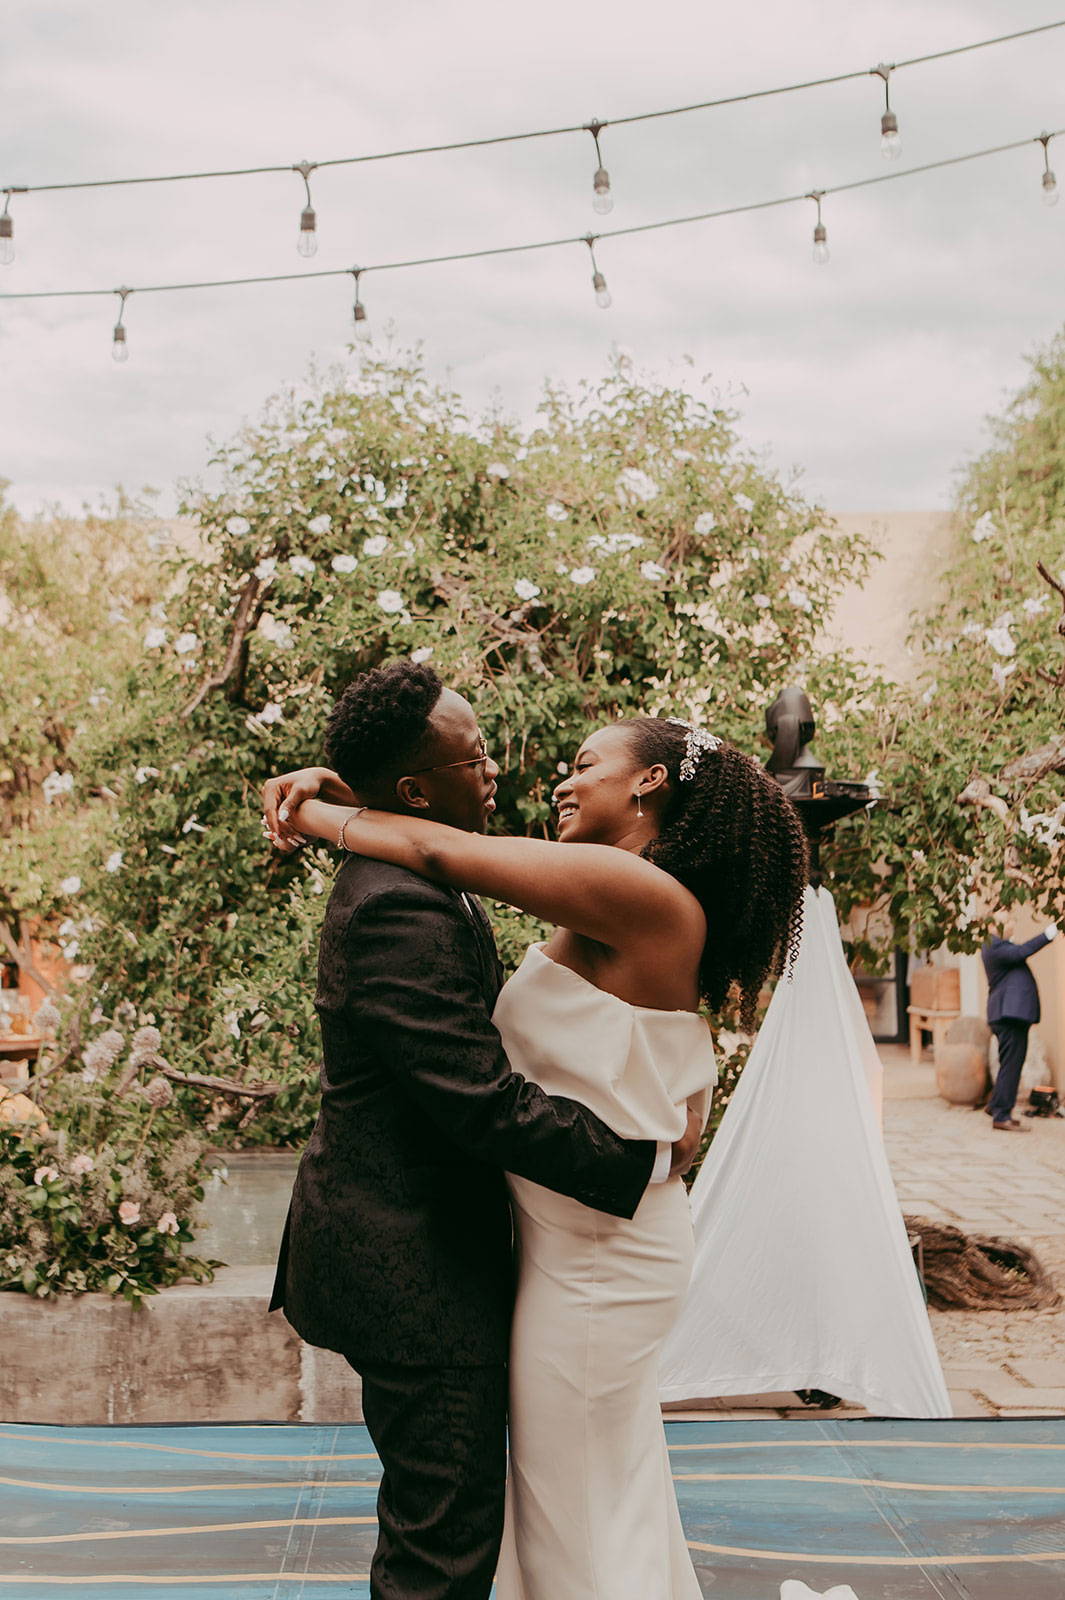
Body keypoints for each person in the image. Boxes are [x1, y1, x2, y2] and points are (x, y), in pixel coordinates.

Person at [266, 667, 807, 1600]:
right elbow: (430, 848)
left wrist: (313, 805)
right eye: (473, 758)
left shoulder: (625, 887)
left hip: (602, 1251)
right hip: (562, 1241)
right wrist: (349, 787)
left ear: (648, 784)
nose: (552, 778)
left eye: (584, 763)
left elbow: (438, 853)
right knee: (568, 1498)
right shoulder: (605, 894)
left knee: (575, 1505)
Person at [982, 912, 1059, 1130]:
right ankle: (1002, 1116)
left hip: (1009, 1015)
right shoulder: (995, 946)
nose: (1012, 925)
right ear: (995, 927)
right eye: (1008, 922)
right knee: (1012, 1066)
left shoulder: (998, 946)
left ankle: (996, 1105)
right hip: (1008, 1016)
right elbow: (1023, 951)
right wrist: (1051, 931)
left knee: (1009, 1063)